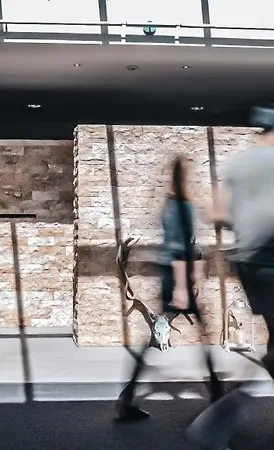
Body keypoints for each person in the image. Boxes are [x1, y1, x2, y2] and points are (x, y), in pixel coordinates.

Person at [187, 106, 274, 449]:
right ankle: (222, 416)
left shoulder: (240, 164)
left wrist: (245, 220)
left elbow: (215, 212)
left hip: (251, 264)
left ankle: (220, 418)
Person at [116, 154, 223, 421]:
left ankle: (127, 399)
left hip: (172, 273)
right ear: (184, 178)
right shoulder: (182, 208)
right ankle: (217, 395)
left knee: (194, 332)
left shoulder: (170, 206)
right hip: (177, 276)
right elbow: (179, 248)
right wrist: (182, 288)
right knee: (201, 332)